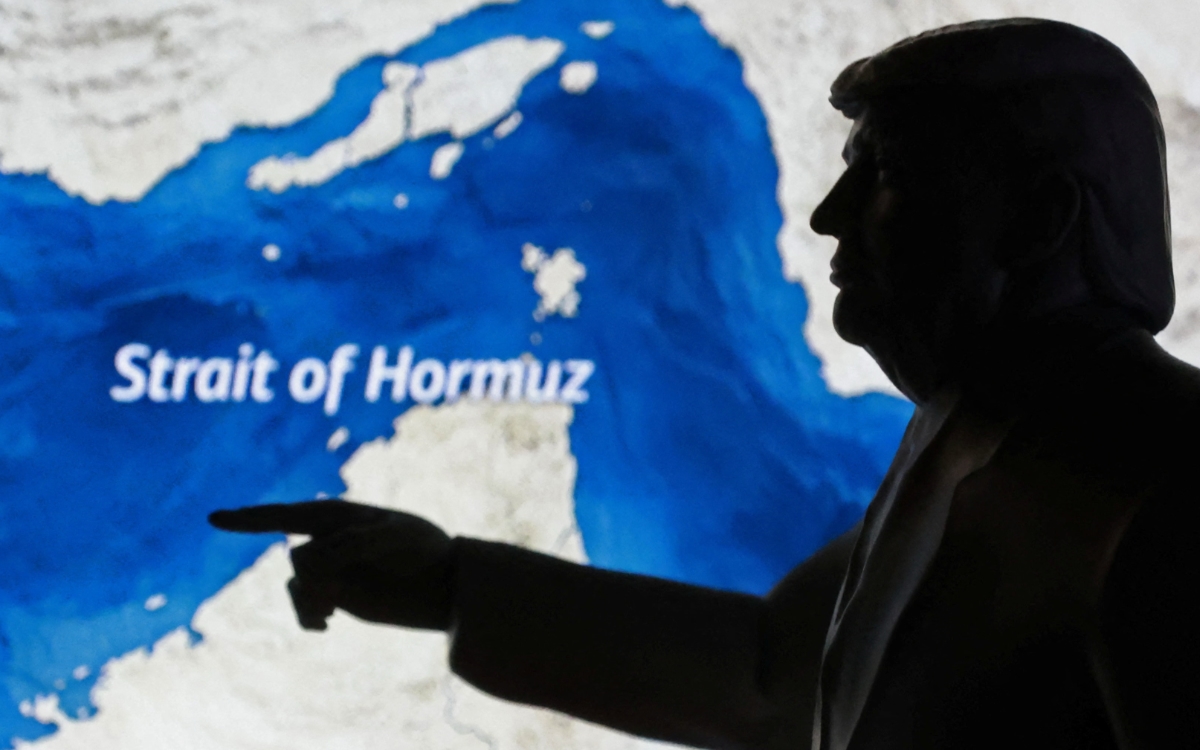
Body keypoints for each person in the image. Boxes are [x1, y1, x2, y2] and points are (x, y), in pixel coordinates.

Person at [210, 18, 1200, 750]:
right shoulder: (973, 437)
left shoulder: (1166, 481)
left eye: (890, 172)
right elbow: (770, 676)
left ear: (1039, 221)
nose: (828, 214)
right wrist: (449, 584)